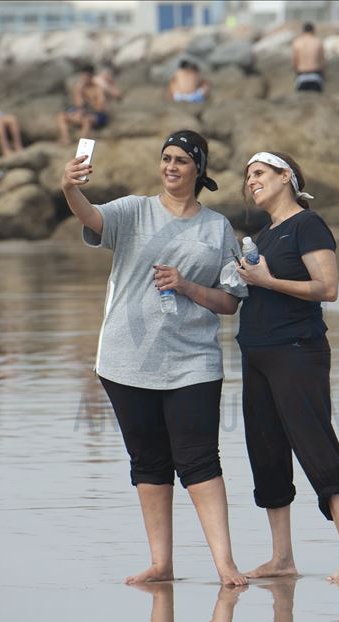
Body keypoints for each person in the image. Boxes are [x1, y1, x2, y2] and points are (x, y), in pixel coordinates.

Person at [60, 130, 248, 587]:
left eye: (181, 160)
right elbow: (89, 215)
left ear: (199, 169)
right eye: (166, 158)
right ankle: (161, 563)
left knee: (200, 461)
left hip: (194, 363)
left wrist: (185, 285)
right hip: (126, 362)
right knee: (148, 463)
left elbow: (229, 302)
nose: (171, 166)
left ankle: (225, 564)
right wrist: (69, 187)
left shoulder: (217, 228)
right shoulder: (132, 210)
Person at [236, 151, 339, 582]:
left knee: (315, 444)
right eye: (248, 177)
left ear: (285, 176)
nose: (251, 181)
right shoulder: (264, 234)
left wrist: (268, 281)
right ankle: (282, 559)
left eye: (259, 173)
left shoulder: (307, 224)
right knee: (266, 452)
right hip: (256, 354)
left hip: (297, 350)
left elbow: (328, 288)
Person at [57, 64, 111, 145]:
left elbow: (100, 108)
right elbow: (78, 104)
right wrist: (79, 92)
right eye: (83, 76)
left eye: (86, 76)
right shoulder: (80, 87)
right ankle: (66, 138)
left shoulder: (98, 88)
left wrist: (88, 103)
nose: (84, 78)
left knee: (86, 120)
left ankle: (82, 145)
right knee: (61, 116)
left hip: (98, 115)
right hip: (84, 112)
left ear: (91, 76)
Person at [292, 22, 326, 93]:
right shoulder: (318, 42)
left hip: (302, 76)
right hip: (316, 75)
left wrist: (296, 73)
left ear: (303, 31)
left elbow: (295, 62)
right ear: (313, 31)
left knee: (301, 98)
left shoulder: (297, 42)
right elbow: (323, 61)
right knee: (316, 98)